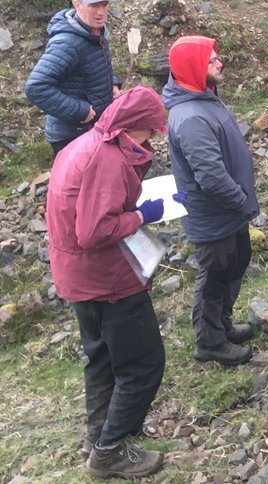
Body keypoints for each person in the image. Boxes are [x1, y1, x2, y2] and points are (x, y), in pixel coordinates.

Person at [45, 86, 169, 478]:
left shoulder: (84, 142)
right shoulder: (110, 158)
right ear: (135, 125)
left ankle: (98, 435)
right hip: (108, 278)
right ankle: (109, 451)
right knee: (144, 363)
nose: (153, 137)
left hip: (77, 275)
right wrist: (141, 217)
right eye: (151, 129)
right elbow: (94, 230)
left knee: (101, 359)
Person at [163, 36, 260, 367]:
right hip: (215, 214)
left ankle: (222, 325)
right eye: (211, 61)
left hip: (229, 211)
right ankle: (210, 341)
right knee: (216, 274)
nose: (220, 63)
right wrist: (241, 200)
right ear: (193, 69)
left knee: (237, 260)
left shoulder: (204, 98)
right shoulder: (190, 117)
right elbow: (211, 177)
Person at [25, 0, 121, 157]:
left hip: (91, 129)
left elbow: (92, 65)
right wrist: (80, 111)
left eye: (104, 4)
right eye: (94, 5)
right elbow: (36, 87)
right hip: (72, 135)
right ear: (76, 4)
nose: (101, 12)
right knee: (77, 185)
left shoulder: (94, 33)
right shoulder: (67, 42)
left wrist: (113, 84)